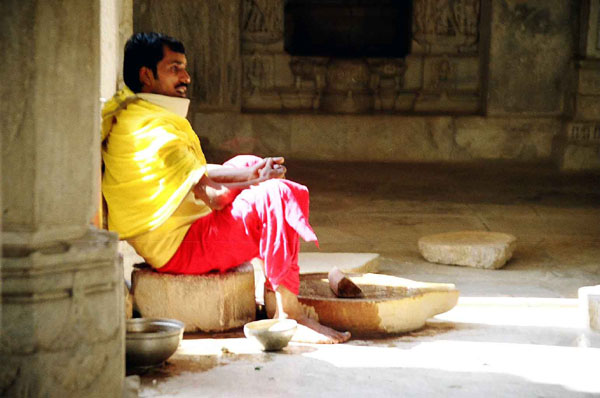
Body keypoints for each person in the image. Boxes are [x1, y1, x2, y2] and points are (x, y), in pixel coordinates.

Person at [101, 32, 350, 344]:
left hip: (184, 235)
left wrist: (251, 172)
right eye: (175, 68)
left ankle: (275, 288)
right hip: (182, 249)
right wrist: (255, 176)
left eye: (184, 68)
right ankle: (289, 314)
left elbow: (197, 182)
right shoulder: (145, 127)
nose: (186, 77)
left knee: (248, 164)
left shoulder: (140, 114)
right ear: (146, 76)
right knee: (278, 194)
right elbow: (208, 186)